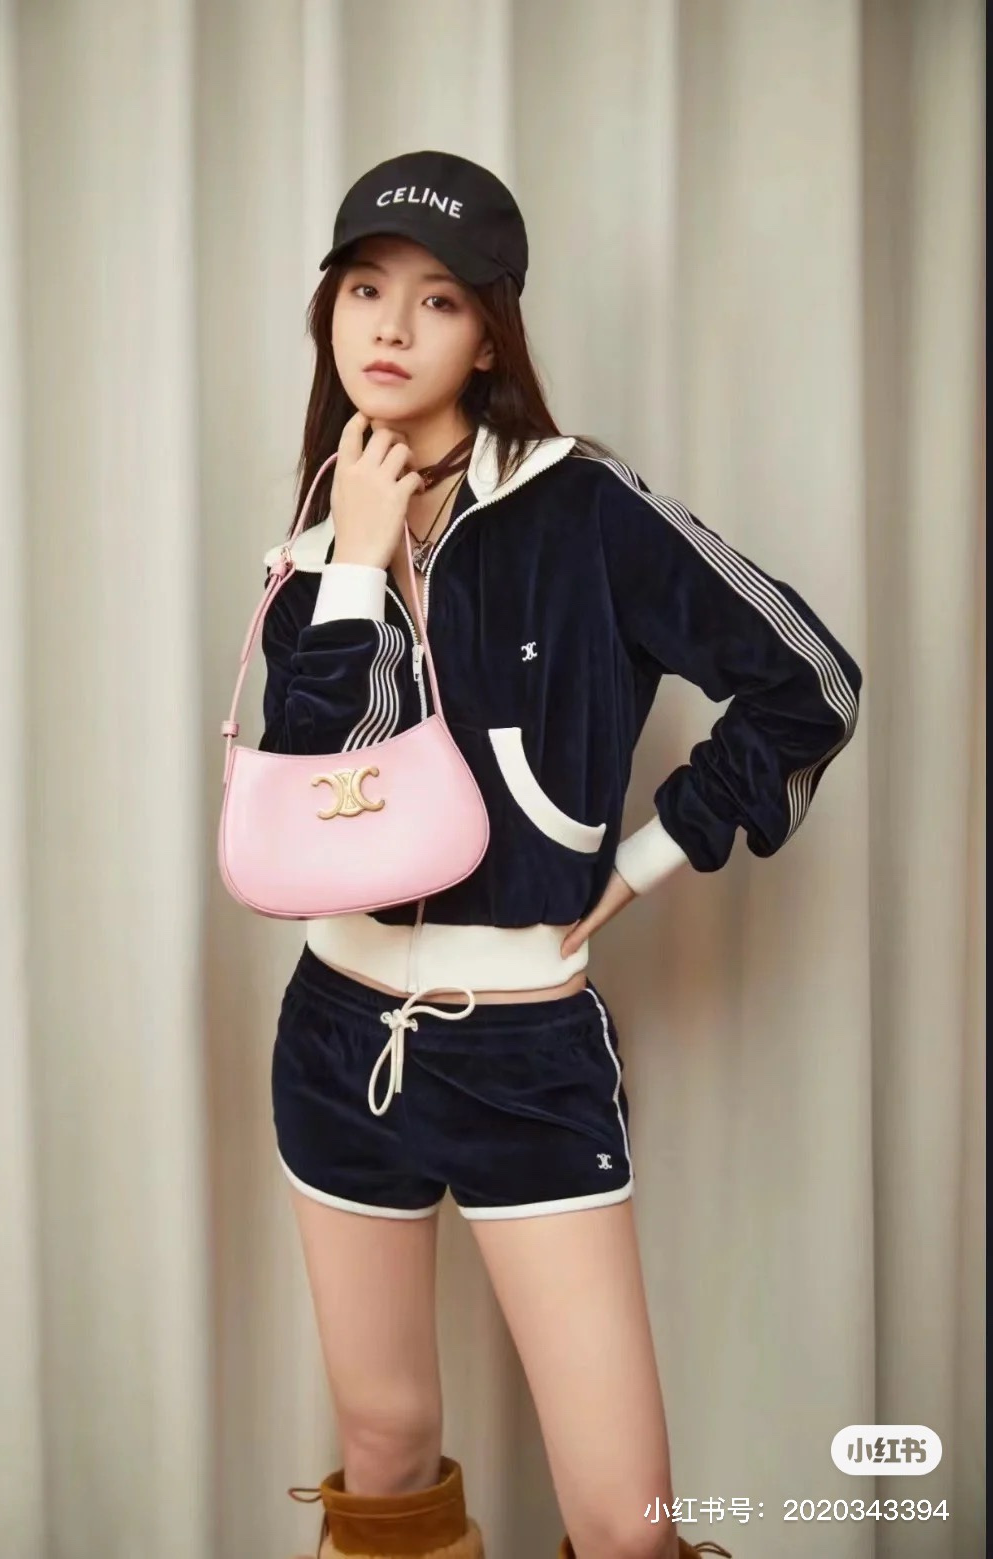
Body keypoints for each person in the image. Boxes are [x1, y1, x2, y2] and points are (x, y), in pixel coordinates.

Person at [259, 150, 861, 1559]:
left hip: (526, 1048)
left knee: (624, 1522)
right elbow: (319, 786)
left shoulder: (581, 505)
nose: (390, 327)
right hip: (336, 1035)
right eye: (364, 289)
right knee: (383, 1450)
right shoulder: (319, 536)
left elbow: (811, 681)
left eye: (437, 299)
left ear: (490, 335)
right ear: (328, 310)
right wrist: (352, 564)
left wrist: (649, 855)